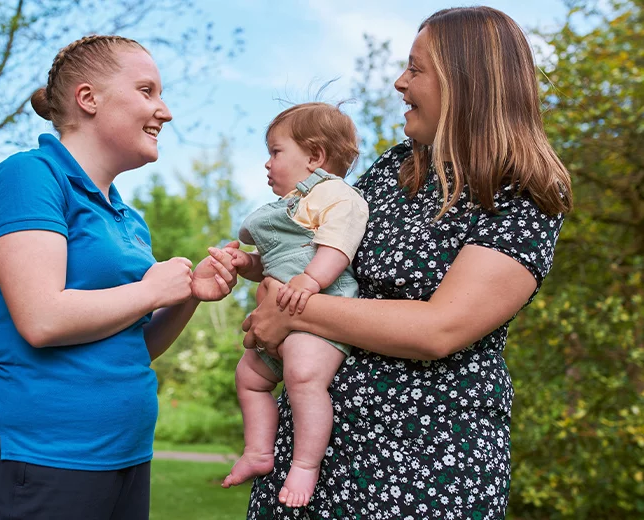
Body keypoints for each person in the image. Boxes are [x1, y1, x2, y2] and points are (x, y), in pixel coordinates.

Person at [231, 7, 573, 519]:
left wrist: (291, 309)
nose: (399, 82)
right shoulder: (397, 167)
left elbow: (439, 328)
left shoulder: (524, 191)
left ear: (466, 82)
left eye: (416, 69)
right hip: (321, 457)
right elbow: (321, 249)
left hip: (424, 468)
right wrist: (253, 266)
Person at [0, 35, 236, 520]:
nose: (164, 111)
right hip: (39, 453)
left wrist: (188, 297)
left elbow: (130, 344)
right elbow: (42, 320)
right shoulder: (30, 176)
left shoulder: (128, 218)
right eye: (147, 91)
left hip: (125, 454)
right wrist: (150, 289)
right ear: (88, 99)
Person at [218, 103, 369, 507]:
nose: (267, 164)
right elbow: (271, 263)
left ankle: (304, 465)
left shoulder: (337, 196)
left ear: (315, 156)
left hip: (318, 311)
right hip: (281, 317)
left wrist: (312, 278)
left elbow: (338, 244)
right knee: (249, 378)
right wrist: (245, 263)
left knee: (303, 378)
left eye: (276, 151)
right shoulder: (287, 208)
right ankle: (258, 451)